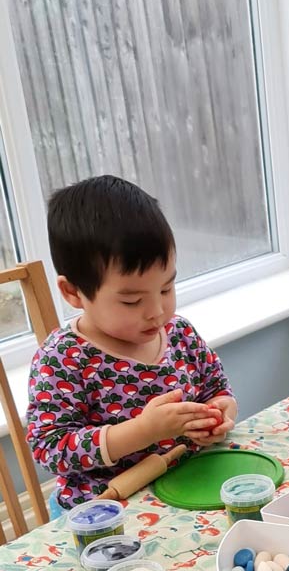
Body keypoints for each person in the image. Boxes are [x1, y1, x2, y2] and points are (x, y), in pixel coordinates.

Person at [26, 175, 237, 510]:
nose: (156, 312)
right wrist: (142, 431)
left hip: (188, 484)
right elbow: (50, 448)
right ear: (73, 293)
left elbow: (216, 388)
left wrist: (219, 414)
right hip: (105, 509)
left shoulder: (179, 334)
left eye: (166, 289)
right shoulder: (63, 359)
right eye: (131, 301)